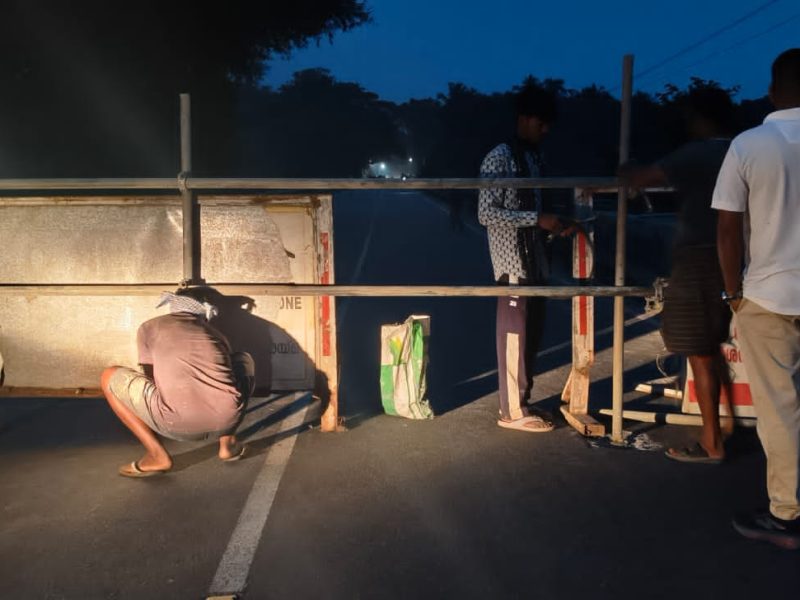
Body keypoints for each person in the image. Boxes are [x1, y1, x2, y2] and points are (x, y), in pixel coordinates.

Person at [618, 87, 736, 464]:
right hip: (733, 257)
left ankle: (712, 441)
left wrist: (625, 169)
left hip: (700, 259)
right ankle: (726, 423)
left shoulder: (699, 153)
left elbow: (642, 178)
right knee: (716, 347)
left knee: (699, 350)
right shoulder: (738, 150)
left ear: (700, 119)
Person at [713, 48, 800, 550]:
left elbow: (727, 227)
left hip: (766, 296)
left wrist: (733, 295)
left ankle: (788, 514)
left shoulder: (749, 144)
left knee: (780, 409)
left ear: (772, 90)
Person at [478, 84, 572, 433]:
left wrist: (553, 222)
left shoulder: (532, 158)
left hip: (536, 263)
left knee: (531, 337)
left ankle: (522, 401)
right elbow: (486, 213)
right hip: (511, 265)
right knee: (514, 337)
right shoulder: (499, 157)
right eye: (541, 123)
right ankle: (511, 412)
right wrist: (537, 218)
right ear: (525, 119)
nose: (545, 130)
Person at [100, 288, 255, 478]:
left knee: (108, 376)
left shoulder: (149, 327)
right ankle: (228, 444)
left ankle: (157, 455)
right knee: (244, 360)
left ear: (173, 306)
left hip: (173, 425)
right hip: (227, 419)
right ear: (202, 312)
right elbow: (227, 377)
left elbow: (150, 377)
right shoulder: (215, 333)